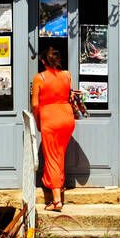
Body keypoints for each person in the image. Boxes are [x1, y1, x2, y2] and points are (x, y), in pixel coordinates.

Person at [31, 44, 76, 211]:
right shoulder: (66, 75)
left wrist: (37, 120)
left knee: (52, 158)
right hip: (67, 117)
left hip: (50, 118)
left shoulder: (39, 78)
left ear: (43, 61)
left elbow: (35, 103)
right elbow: (70, 94)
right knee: (59, 155)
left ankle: (57, 200)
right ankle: (59, 184)